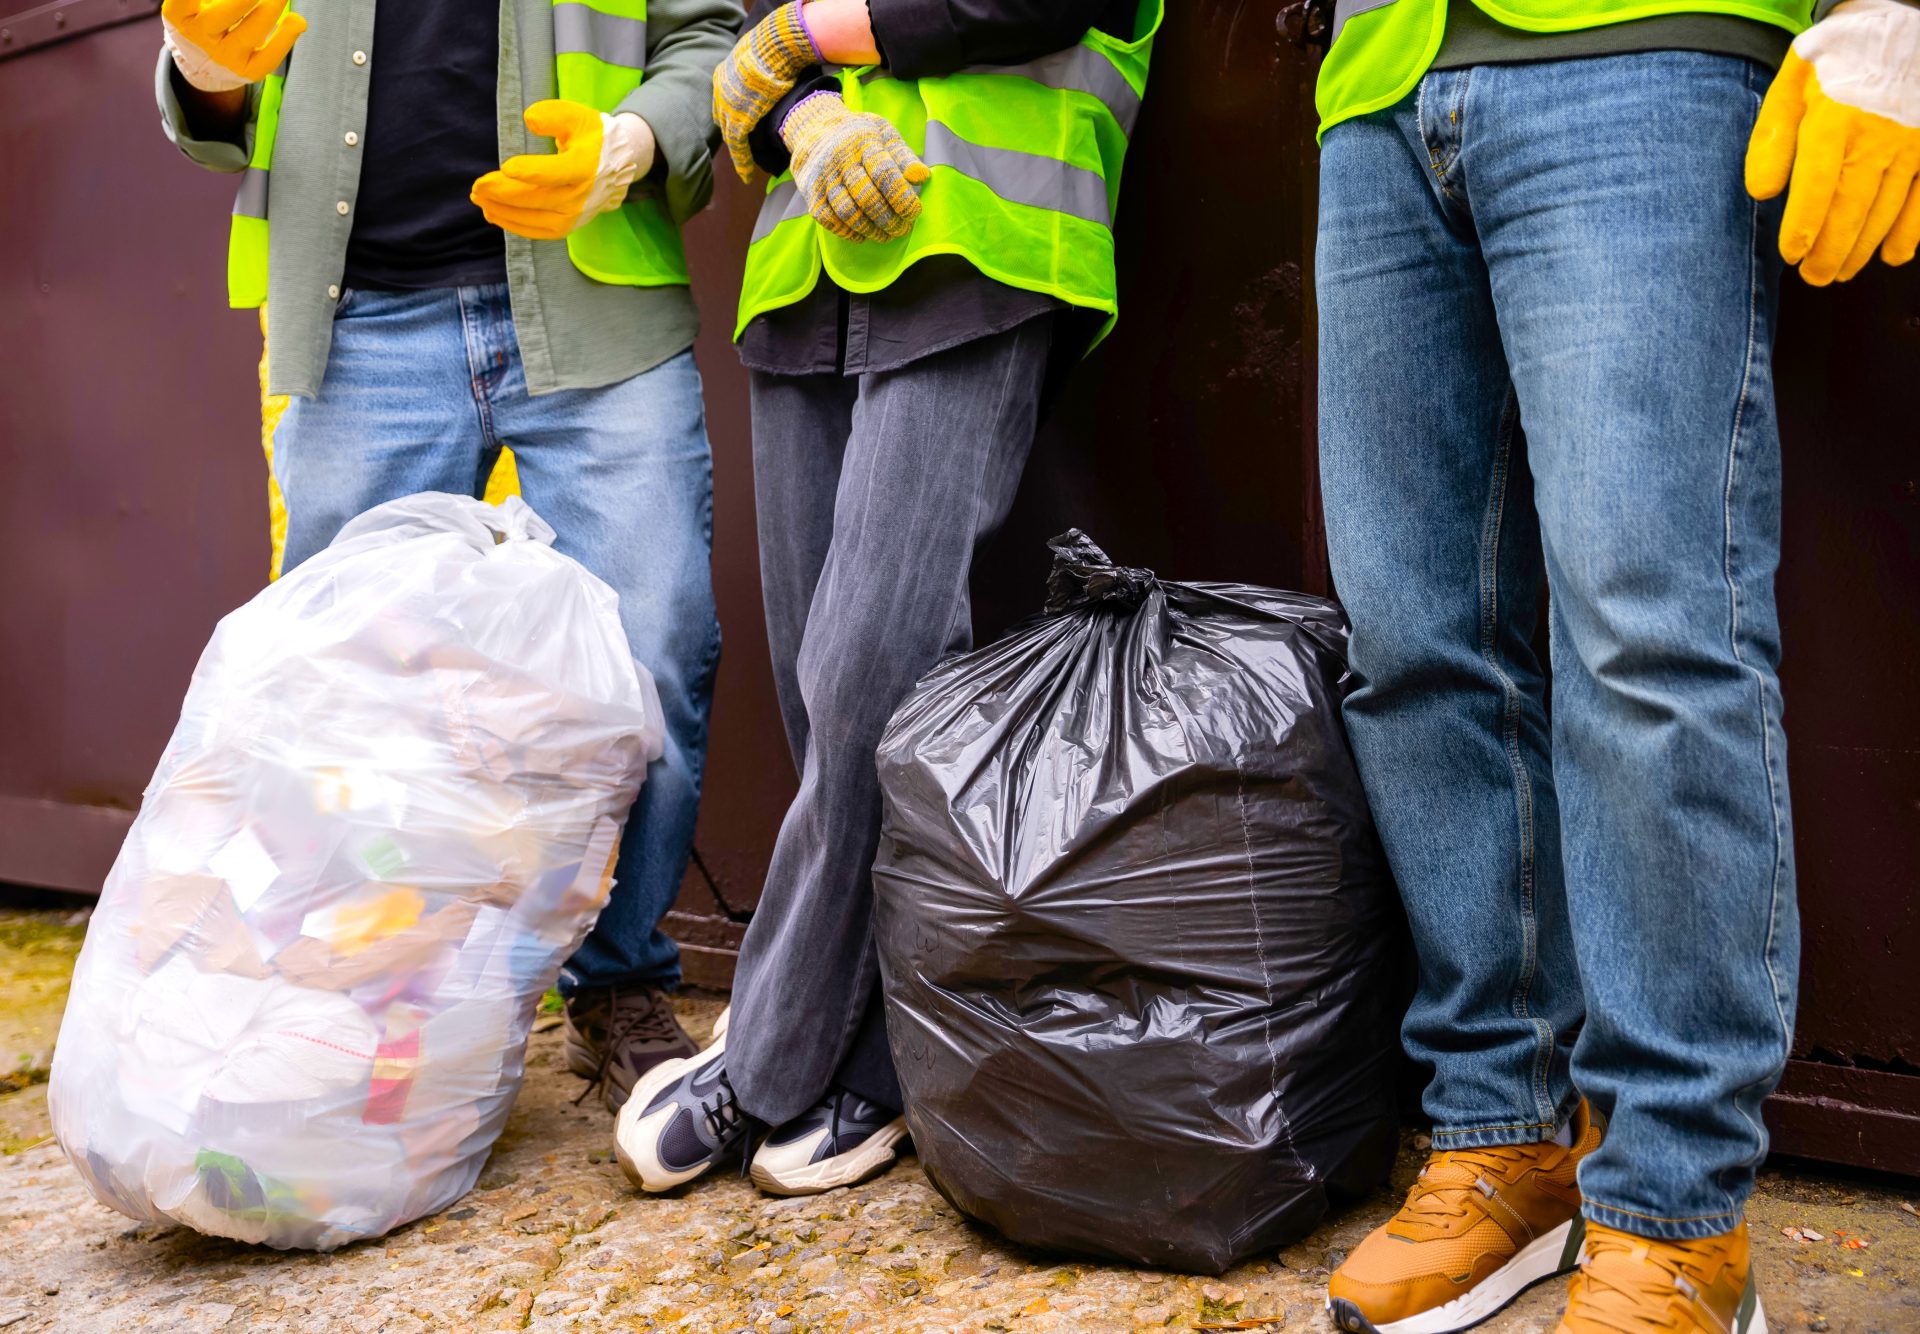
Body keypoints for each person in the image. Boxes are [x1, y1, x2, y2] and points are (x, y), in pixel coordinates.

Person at [1308, 0, 1920, 1329]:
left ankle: (1675, 1208)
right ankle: (1504, 1134)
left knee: (1648, 637)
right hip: (1379, 81)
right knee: (1413, 645)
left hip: (1646, 49)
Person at [611, 0, 1162, 1197]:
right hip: (808, 258)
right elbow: (750, 41)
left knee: (875, 669)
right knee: (825, 690)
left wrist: (811, 35)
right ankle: (875, 1055)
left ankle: (760, 1059)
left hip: (976, 236)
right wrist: (800, 116)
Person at [155, 0, 738, 1112]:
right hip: (359, 319)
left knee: (652, 639)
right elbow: (209, 101)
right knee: (346, 692)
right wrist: (204, 68)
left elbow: (704, 39)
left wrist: (633, 144)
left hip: (592, 303)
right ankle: (365, 1007)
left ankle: (617, 984)